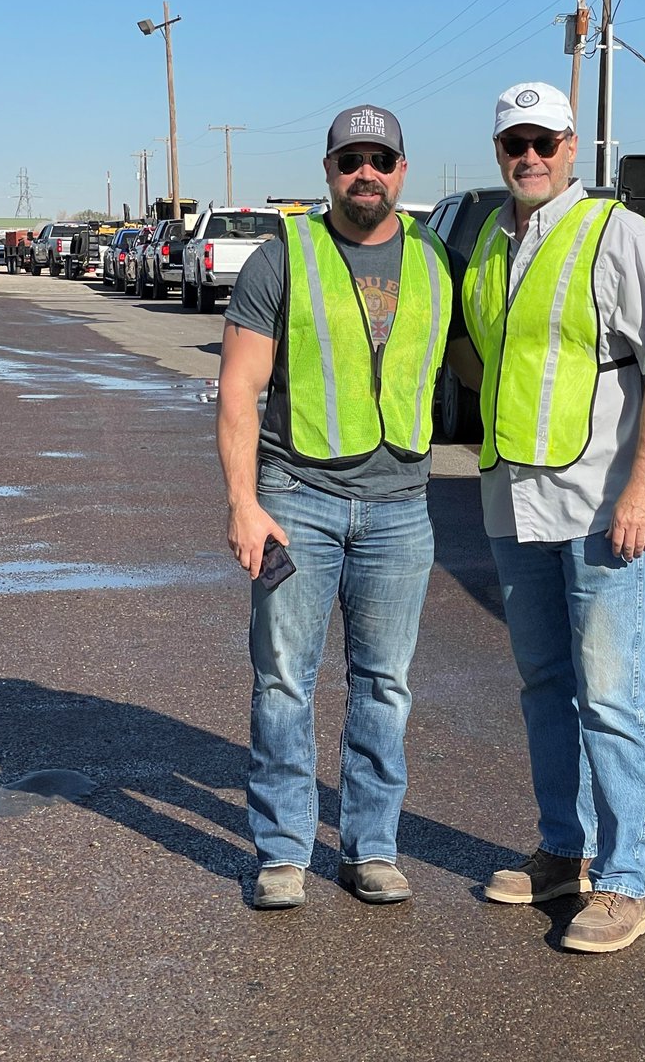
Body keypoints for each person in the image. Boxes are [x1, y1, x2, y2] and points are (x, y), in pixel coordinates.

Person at [450, 81, 645, 952]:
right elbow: (485, 359)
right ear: (499, 151)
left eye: (544, 142)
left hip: (600, 508)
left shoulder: (617, 233)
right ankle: (564, 850)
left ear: (570, 146)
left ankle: (626, 882)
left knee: (613, 696)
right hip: (513, 503)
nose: (530, 156)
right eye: (514, 142)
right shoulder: (490, 241)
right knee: (544, 686)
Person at [216, 104, 460, 910]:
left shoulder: (439, 259)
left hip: (401, 508)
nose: (366, 174)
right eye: (350, 160)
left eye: (380, 160)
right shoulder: (282, 256)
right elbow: (239, 389)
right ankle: (283, 853)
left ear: (401, 170)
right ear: (328, 171)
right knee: (284, 682)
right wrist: (243, 503)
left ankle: (372, 849)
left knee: (385, 685)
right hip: (298, 501)